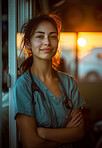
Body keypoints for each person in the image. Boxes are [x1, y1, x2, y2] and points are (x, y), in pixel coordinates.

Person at [13, 14, 85, 148]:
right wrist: (66, 133)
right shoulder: (23, 85)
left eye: (52, 36)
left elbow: (79, 132)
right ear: (28, 43)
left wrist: (44, 133)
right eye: (40, 36)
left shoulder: (69, 83)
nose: (47, 42)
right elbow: (31, 143)